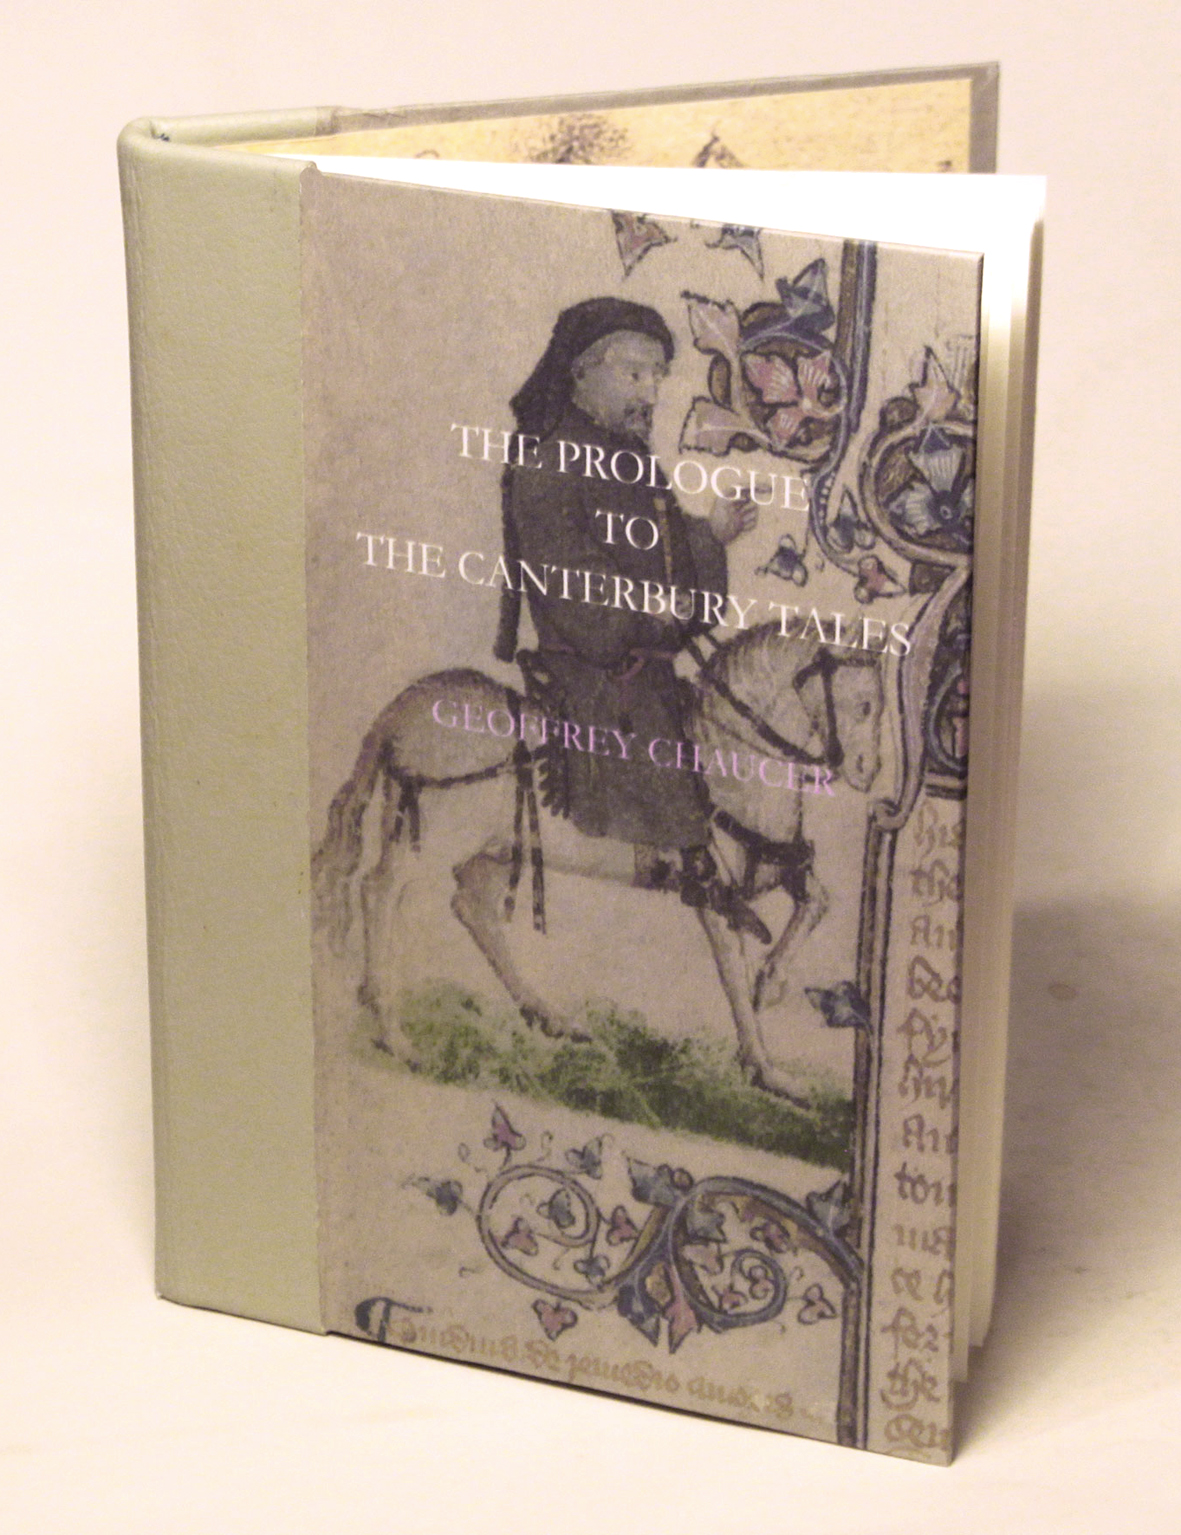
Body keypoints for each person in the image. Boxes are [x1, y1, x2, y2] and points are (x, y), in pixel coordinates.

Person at [495, 297, 766, 939]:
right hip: (594, 675)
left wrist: (710, 537)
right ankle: (681, 876)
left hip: (645, 666)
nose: (650, 393)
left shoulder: (632, 462)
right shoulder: (546, 465)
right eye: (634, 374)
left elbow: (666, 557)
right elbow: (575, 590)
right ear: (580, 374)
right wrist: (649, 608)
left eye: (656, 377)